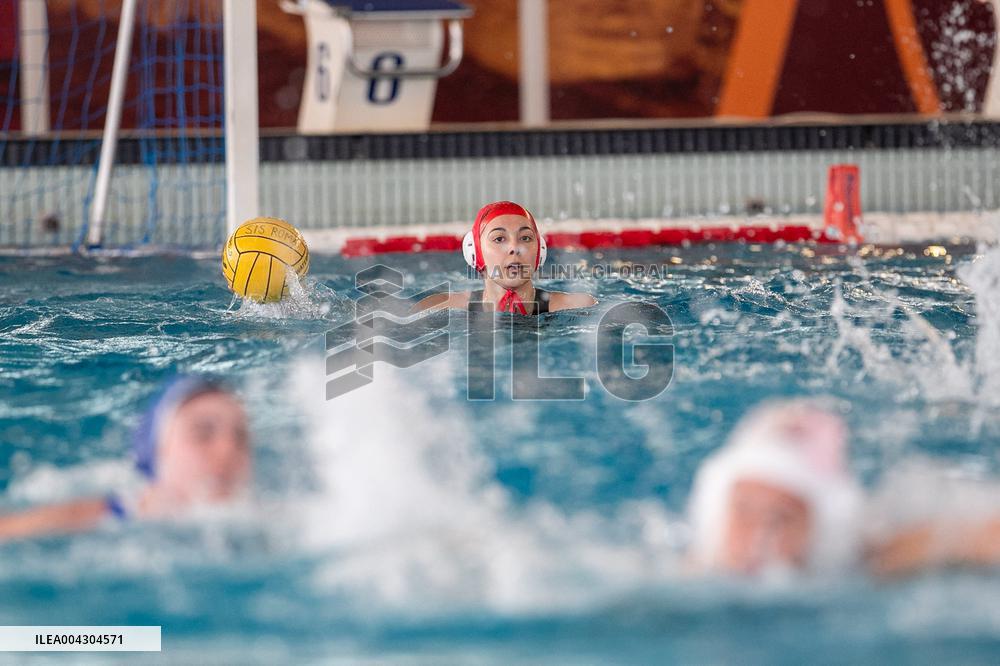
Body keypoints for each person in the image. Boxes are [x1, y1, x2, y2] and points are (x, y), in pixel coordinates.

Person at [687, 400, 1000, 578]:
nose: (757, 535)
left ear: (820, 528)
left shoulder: (860, 563)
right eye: (743, 509)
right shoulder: (694, 570)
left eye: (782, 517)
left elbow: (975, 537)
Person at [0, 376, 251, 540]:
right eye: (203, 434)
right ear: (158, 449)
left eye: (240, 437)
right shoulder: (92, 519)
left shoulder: (263, 523)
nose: (228, 449)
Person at [414, 201, 596, 315]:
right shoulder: (437, 307)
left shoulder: (579, 306)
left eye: (525, 238)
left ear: (540, 251)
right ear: (475, 252)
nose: (515, 248)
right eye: (499, 239)